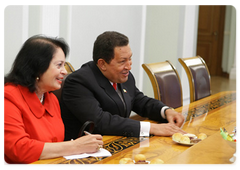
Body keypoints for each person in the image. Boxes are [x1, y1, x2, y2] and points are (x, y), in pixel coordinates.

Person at [60, 31, 186, 141]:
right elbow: (101, 122)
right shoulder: (79, 82)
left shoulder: (123, 75)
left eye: (130, 59)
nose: (129, 66)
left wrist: (166, 111)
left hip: (117, 143)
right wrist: (151, 128)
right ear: (102, 64)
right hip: (85, 155)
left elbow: (139, 100)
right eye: (122, 61)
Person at [2, 35, 103, 165]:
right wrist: (75, 146)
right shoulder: (7, 98)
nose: (64, 71)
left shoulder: (51, 98)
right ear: (38, 67)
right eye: (59, 65)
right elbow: (19, 149)